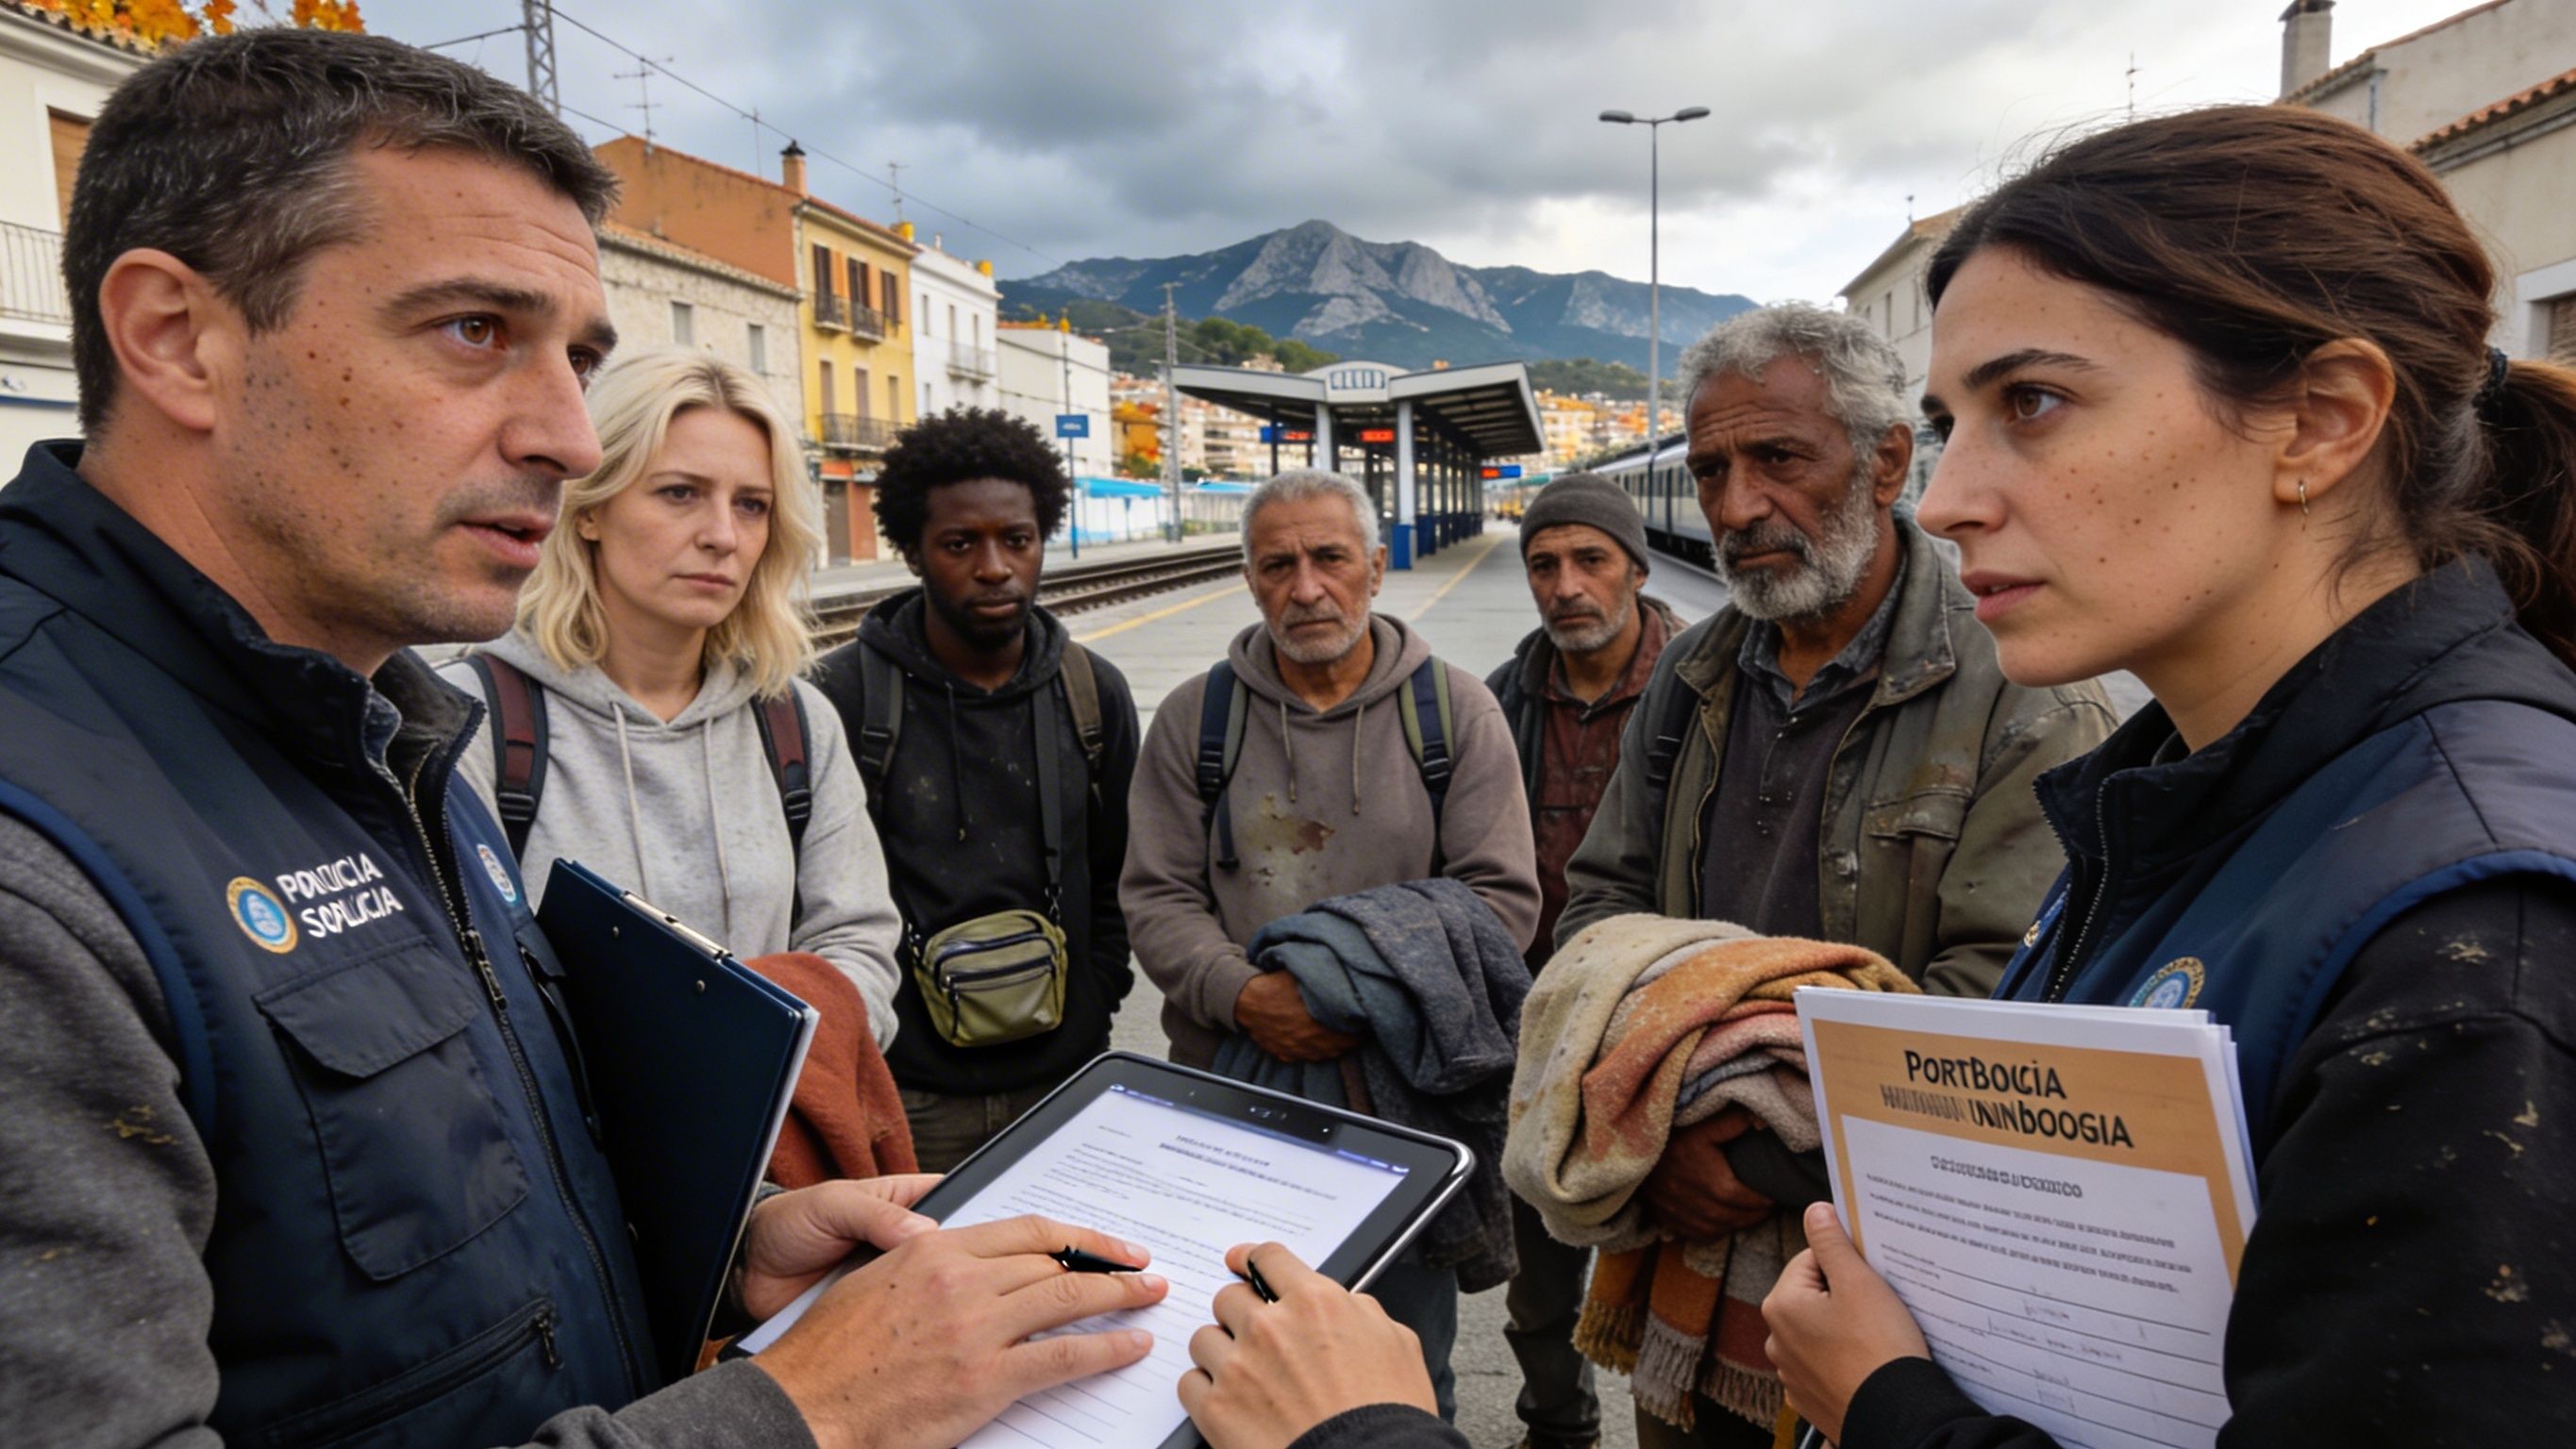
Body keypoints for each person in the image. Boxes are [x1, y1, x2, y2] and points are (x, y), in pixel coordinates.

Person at [0, 31, 1163, 1449]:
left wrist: (722, 1255)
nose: (567, 434)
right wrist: (800, 1411)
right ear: (178, 336)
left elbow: (441, 1226)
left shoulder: (389, 735)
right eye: (473, 331)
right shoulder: (41, 865)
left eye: (580, 357)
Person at [1757, 105, 2576, 1447]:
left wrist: (1886, 1408)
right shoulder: (2198, 800)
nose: (1944, 500)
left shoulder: (2475, 943)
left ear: (2320, 421)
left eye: (2031, 403)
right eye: (1948, 422)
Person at [1552, 303, 2114, 1446]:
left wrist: (1749, 1156)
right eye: (1711, 471)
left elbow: (2009, 1002)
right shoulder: (1694, 677)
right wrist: (1662, 1138)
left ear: (1887, 461)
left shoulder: (2024, 694)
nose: (1736, 507)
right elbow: (1600, 913)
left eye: (1778, 459)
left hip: (1900, 1284)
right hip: (1685, 1248)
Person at [1123, 468, 1540, 1419]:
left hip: (1399, 1106)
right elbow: (1157, 896)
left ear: (1376, 569)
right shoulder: (1196, 719)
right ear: (1250, 580)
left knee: (1402, 1360)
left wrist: (1343, 1002)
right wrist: (1245, 998)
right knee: (1222, 1351)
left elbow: (1500, 904)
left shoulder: (1454, 712)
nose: (1306, 587)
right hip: (1231, 1093)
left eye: (1329, 559)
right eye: (1278, 565)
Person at [441, 346, 903, 1042]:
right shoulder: (468, 722)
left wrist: (755, 1070)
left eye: (751, 505)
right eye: (680, 493)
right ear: (590, 508)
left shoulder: (796, 722)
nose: (723, 536)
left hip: (775, 1104)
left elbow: (858, 943)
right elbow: (449, 988)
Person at [810, 407, 1141, 1172]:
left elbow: (1123, 874)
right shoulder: (840, 698)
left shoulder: (1092, 693)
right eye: (960, 544)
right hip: (907, 1095)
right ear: (913, 552)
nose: (995, 567)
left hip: (1067, 1078)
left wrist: (1095, 998)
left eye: (1017, 540)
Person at [1482, 472, 1683, 1449]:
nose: (1565, 585)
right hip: (1540, 1032)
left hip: (1669, 1032)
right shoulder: (1499, 702)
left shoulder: (1706, 686)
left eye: (1590, 560)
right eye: (1543, 564)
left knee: (1672, 1271)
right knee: (1538, 1277)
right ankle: (1557, 1424)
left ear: (1636, 568)